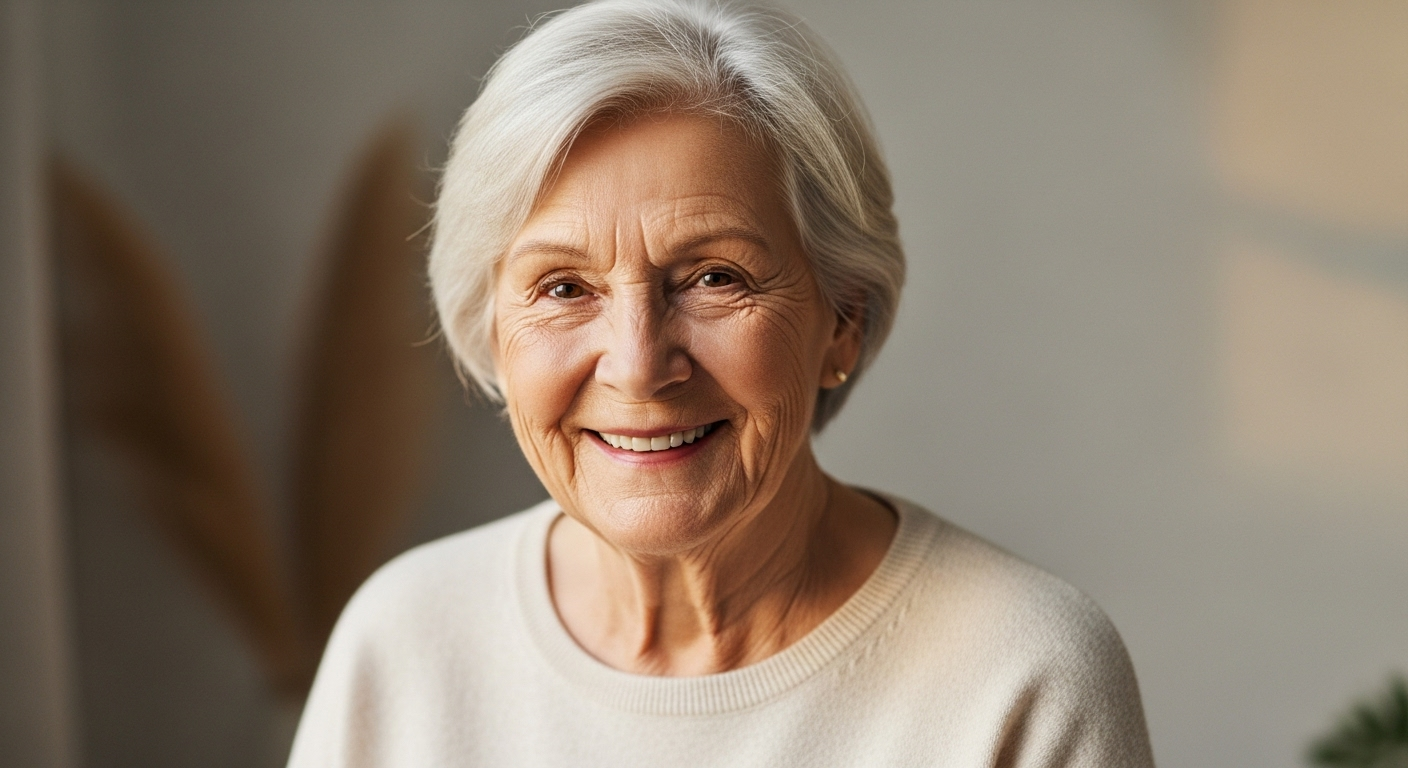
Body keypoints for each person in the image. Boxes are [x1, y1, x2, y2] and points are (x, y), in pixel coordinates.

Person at [287, 1, 1156, 765]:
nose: (637, 365)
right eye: (563, 288)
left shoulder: (1022, 674)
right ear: (493, 332)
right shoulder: (404, 641)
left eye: (714, 278)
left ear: (841, 319)